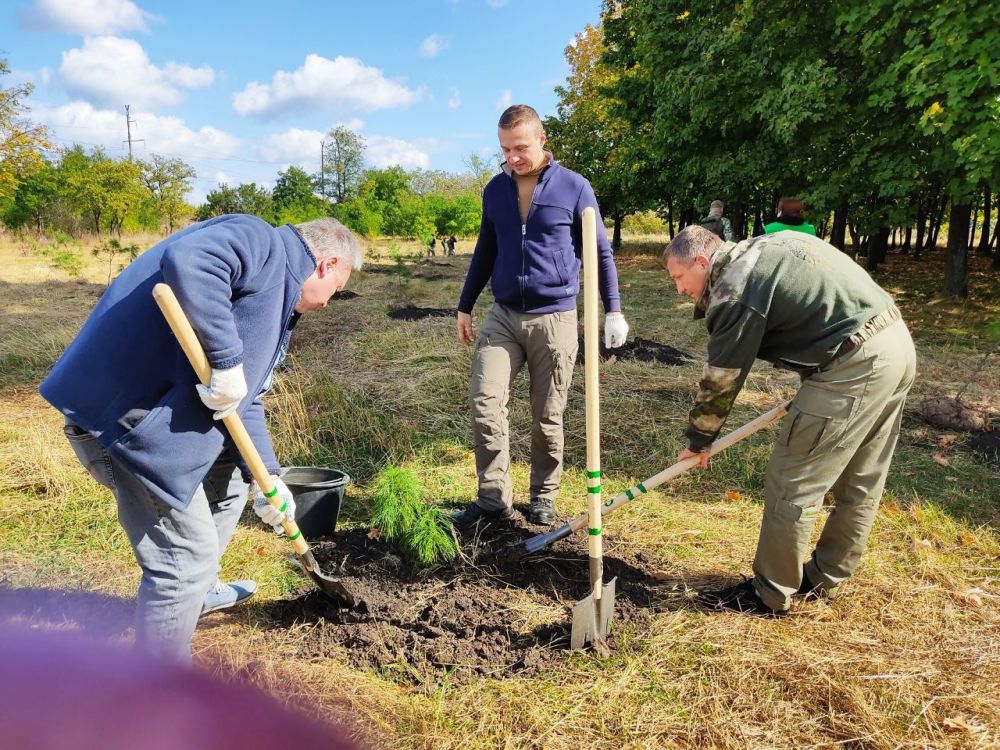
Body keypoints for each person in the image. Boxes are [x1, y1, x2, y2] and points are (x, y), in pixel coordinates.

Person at [39, 215, 364, 660]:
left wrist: (266, 476)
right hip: (127, 426)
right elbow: (192, 259)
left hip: (158, 426)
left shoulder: (275, 300)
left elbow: (241, 400)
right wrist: (227, 358)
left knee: (232, 483)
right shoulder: (262, 242)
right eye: (337, 290)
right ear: (326, 265)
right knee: (183, 558)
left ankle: (199, 590)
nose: (330, 302)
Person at [662, 225, 916, 615]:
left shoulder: (735, 288)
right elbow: (812, 306)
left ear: (701, 261)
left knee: (792, 479)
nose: (679, 290)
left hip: (853, 365)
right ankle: (826, 577)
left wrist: (699, 440)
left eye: (679, 278)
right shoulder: (768, 245)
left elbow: (724, 376)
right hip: (894, 343)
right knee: (861, 478)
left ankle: (770, 594)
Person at [453, 104, 629, 529]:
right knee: (485, 400)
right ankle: (493, 497)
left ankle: (544, 495)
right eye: (505, 149)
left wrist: (614, 310)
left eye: (520, 147)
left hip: (555, 318)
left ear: (542, 139)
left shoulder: (574, 188)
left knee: (547, 414)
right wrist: (465, 304)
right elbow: (485, 250)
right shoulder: (495, 190)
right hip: (504, 315)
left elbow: (599, 251)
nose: (513, 157)